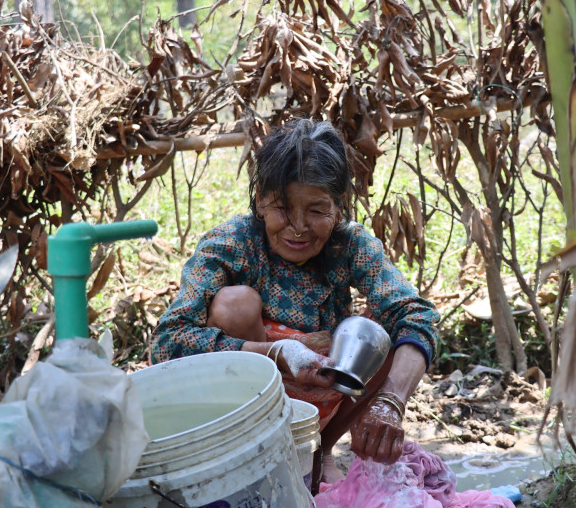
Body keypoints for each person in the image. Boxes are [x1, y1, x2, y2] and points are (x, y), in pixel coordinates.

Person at [152, 118, 440, 488]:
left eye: (317, 210)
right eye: (283, 208)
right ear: (259, 200)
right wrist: (275, 352)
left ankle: (319, 450)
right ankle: (264, 451)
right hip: (252, 396)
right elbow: (166, 344)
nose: (299, 227)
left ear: (338, 208)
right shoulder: (230, 244)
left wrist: (391, 402)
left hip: (330, 388)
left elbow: (418, 316)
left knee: (382, 328)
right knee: (233, 304)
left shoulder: (350, 246)